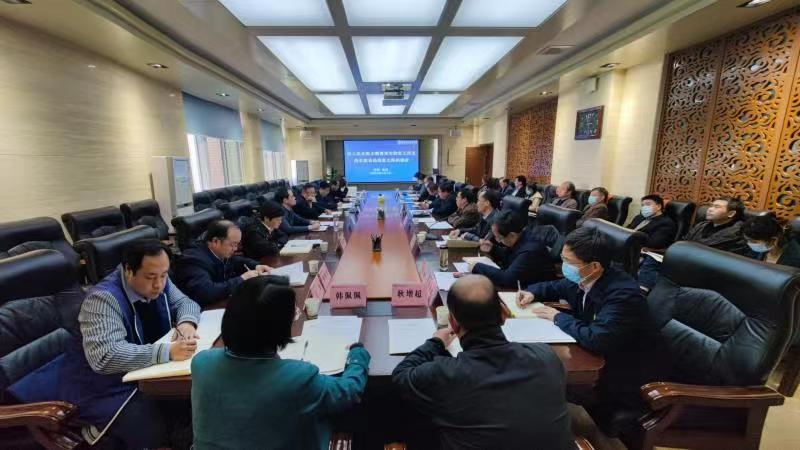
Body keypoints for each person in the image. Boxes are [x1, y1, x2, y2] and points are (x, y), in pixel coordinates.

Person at [45, 240, 201, 448]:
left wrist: (187, 323)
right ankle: (96, 431)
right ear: (128, 270)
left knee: (194, 405)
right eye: (150, 277)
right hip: (103, 388)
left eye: (164, 275)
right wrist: (168, 351)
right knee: (164, 429)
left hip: (141, 374)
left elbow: (185, 303)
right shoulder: (102, 299)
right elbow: (105, 356)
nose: (159, 284)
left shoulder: (158, 277)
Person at [392, 275, 575, 450]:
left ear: (453, 323)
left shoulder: (446, 374)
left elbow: (401, 374)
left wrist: (435, 342)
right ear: (504, 313)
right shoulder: (545, 356)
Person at [192, 279, 371, 450]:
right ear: (278, 328)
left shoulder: (201, 362)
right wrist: (357, 355)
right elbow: (348, 390)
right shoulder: (298, 378)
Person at [517, 227, 650, 419]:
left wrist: (557, 317)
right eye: (562, 259)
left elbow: (597, 338)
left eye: (568, 261)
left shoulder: (623, 295)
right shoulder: (585, 277)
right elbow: (555, 286)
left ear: (594, 266)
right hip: (591, 353)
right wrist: (532, 292)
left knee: (537, 378)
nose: (563, 266)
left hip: (619, 372)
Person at [174, 220, 272, 306]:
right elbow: (206, 292)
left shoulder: (219, 251)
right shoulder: (193, 260)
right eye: (233, 244)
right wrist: (242, 279)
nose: (236, 249)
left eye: (237, 244)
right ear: (215, 241)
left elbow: (236, 260)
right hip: (203, 311)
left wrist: (256, 265)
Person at [467, 209, 555, 288]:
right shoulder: (522, 236)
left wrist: (477, 266)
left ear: (512, 235)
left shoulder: (530, 251)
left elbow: (507, 279)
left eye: (499, 237)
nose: (497, 240)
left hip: (538, 295)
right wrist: (493, 249)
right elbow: (511, 255)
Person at [683, 197, 748, 255]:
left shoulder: (738, 234)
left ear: (731, 213)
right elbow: (683, 244)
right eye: (711, 206)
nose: (710, 209)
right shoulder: (701, 225)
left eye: (717, 207)